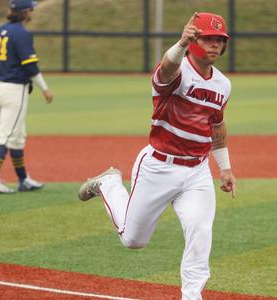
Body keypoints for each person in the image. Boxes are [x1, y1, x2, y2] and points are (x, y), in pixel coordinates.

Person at [78, 12, 236, 300]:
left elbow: (217, 125)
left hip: (197, 171)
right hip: (159, 167)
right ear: (194, 40)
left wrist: (224, 168)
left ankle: (192, 296)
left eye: (219, 40)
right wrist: (181, 43)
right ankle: (109, 184)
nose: (215, 45)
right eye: (208, 39)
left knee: (200, 232)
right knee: (133, 240)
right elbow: (165, 70)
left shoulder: (223, 84)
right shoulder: (177, 71)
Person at [0, 0, 53, 194]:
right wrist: (45, 89)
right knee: (6, 135)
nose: (32, 13)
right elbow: (31, 67)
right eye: (31, 9)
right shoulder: (22, 34)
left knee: (16, 136)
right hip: (15, 91)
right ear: (24, 12)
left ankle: (23, 180)